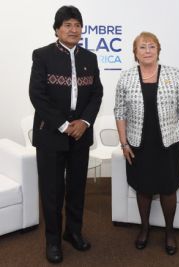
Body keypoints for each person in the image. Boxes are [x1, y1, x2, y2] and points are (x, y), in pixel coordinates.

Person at [29, 5, 103, 263]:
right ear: (57, 29)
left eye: (77, 25)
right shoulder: (42, 56)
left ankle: (73, 232)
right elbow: (37, 95)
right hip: (51, 133)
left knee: (77, 187)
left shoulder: (90, 58)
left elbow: (96, 94)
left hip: (81, 133)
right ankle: (52, 241)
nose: (73, 29)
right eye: (68, 25)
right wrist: (63, 124)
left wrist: (84, 121)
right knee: (52, 190)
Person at [114, 32, 179, 255]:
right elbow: (120, 112)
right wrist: (124, 143)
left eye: (152, 46)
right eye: (142, 47)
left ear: (158, 50)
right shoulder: (126, 78)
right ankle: (144, 229)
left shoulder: (174, 75)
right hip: (139, 144)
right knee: (143, 188)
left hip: (167, 144)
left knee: (168, 189)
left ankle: (170, 232)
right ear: (135, 53)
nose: (148, 51)